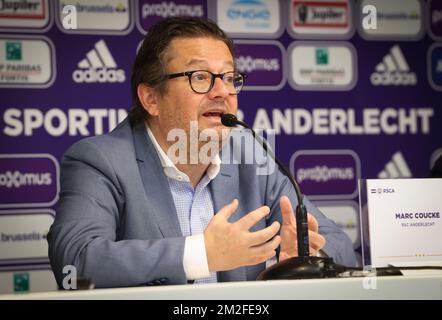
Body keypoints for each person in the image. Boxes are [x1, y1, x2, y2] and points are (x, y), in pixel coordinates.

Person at [47, 17, 356, 288]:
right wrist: (202, 255)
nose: (221, 91)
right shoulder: (100, 161)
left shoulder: (252, 156)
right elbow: (76, 262)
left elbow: (341, 245)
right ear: (151, 98)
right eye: (200, 77)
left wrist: (307, 257)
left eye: (229, 78)